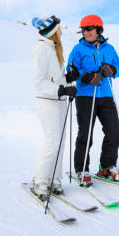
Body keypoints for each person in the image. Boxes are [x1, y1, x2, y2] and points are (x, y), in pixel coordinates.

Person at [66, 14, 119, 186]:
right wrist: (87, 77)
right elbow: (71, 71)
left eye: (89, 28)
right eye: (83, 30)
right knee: (85, 134)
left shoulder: (110, 49)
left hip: (106, 95)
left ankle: (107, 166)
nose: (86, 32)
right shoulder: (78, 50)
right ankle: (82, 169)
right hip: (85, 96)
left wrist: (111, 69)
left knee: (114, 132)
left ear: (98, 29)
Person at [30, 15, 78, 200]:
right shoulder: (41, 49)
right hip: (47, 102)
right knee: (53, 141)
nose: (61, 31)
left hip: (59, 102)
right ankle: (39, 180)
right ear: (52, 31)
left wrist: (69, 78)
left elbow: (56, 78)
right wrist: (61, 89)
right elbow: (39, 82)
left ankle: (53, 179)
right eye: (59, 28)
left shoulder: (54, 48)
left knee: (61, 142)